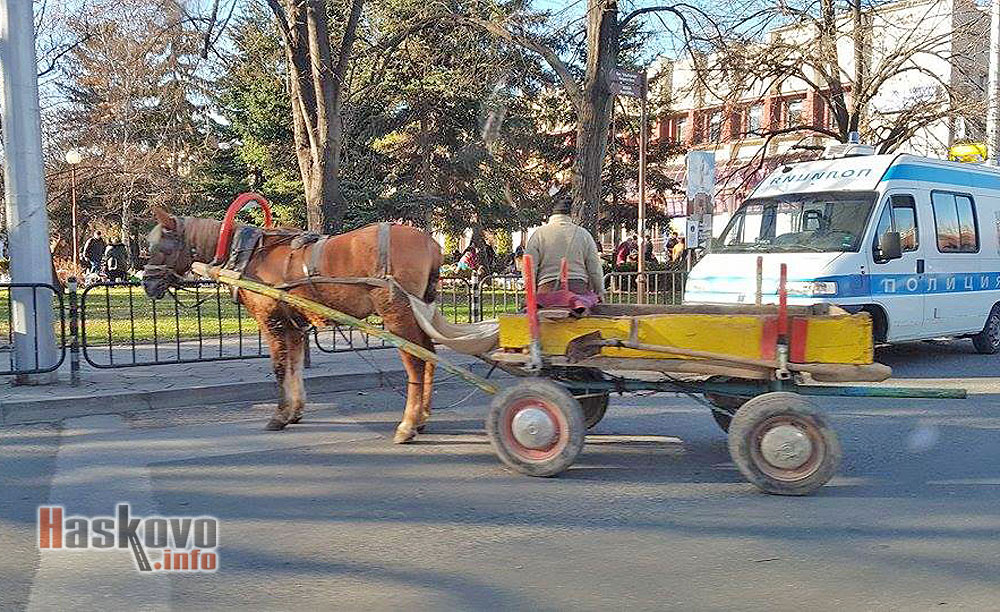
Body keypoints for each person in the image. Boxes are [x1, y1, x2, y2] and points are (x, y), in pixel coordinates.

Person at [524, 195, 606, 302]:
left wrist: (531, 294)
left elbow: (529, 269)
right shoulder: (584, 234)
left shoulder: (538, 234)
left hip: (546, 290)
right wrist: (599, 292)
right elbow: (594, 269)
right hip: (578, 291)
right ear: (570, 214)